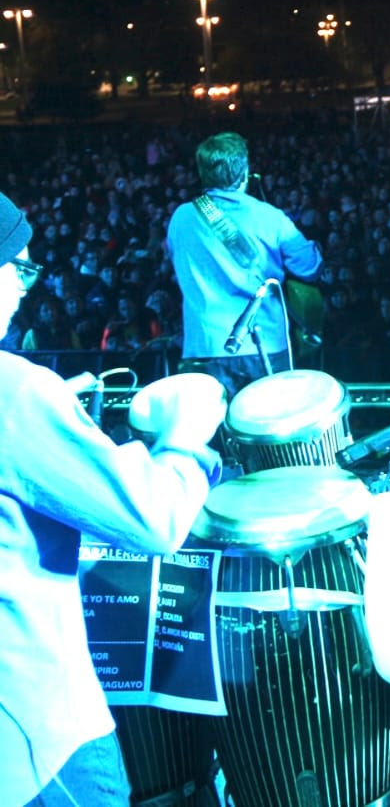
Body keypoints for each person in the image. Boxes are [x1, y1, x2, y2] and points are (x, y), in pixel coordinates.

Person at [0, 190, 226, 807]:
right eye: (16, 268)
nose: (23, 289)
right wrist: (183, 444)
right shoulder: (16, 395)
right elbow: (153, 520)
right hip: (36, 732)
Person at [166, 132, 324, 397]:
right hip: (263, 347)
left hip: (204, 346)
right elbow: (309, 267)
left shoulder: (180, 218)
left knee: (207, 435)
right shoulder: (269, 216)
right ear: (244, 172)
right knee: (267, 432)